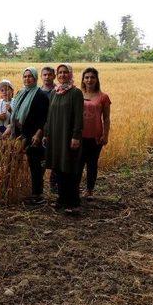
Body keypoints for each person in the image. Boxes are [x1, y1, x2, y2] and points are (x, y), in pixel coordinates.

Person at [44, 64, 84, 215]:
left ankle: (74, 201)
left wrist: (76, 136)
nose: (62, 75)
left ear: (70, 74)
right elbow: (49, 115)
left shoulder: (75, 93)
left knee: (70, 168)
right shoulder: (55, 93)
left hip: (68, 136)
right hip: (55, 137)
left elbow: (79, 117)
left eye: (65, 72)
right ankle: (61, 198)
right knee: (58, 167)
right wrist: (47, 133)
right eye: (59, 73)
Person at [8, 68, 50, 205]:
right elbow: (16, 112)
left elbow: (45, 117)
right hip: (20, 133)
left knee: (35, 164)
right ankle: (23, 190)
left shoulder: (41, 95)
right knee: (18, 161)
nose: (27, 79)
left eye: (30, 76)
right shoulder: (21, 93)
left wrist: (39, 133)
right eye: (25, 76)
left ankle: (37, 194)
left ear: (36, 78)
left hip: (33, 135)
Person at [79, 67, 111, 199]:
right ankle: (75, 188)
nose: (89, 80)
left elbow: (106, 118)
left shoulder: (103, 97)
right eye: (86, 77)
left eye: (92, 77)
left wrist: (105, 135)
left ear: (97, 79)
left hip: (95, 136)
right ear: (83, 79)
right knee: (78, 163)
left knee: (92, 163)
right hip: (79, 135)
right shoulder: (78, 94)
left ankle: (89, 190)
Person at [40, 66, 57, 193]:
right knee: (41, 157)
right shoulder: (38, 92)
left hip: (55, 129)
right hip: (40, 130)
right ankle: (39, 184)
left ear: (54, 76)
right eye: (44, 75)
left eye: (49, 75)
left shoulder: (59, 91)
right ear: (41, 77)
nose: (47, 77)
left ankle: (54, 184)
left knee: (55, 157)